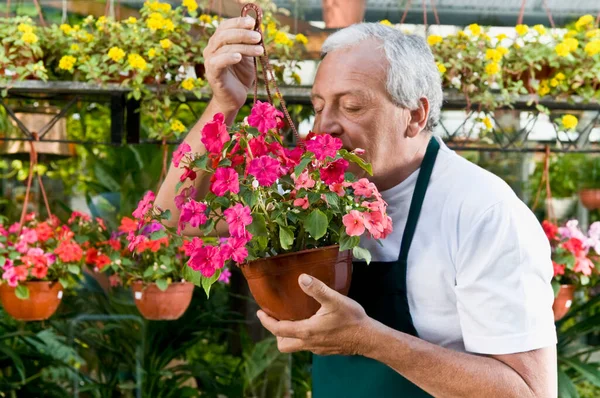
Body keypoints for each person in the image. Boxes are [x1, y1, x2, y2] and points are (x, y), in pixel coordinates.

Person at [156, 17, 557, 397]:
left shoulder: (482, 211)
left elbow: (530, 392)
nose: (324, 126)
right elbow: (175, 215)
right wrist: (225, 102)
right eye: (317, 106)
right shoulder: (310, 192)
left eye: (350, 106)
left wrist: (370, 340)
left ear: (414, 115)